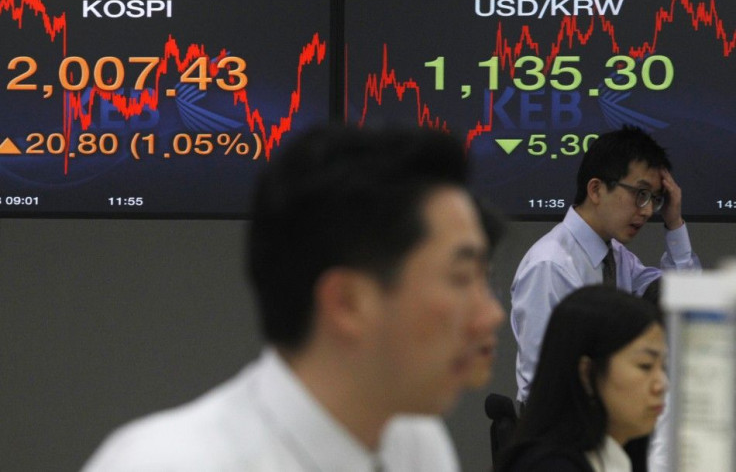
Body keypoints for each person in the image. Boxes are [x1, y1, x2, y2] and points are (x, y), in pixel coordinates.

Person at [82, 125, 506, 471]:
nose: (490, 315)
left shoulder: (414, 442)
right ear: (347, 303)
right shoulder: (170, 463)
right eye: (461, 278)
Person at [511, 125, 699, 405]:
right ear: (596, 190)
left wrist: (674, 223)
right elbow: (545, 387)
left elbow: (685, 300)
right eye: (641, 194)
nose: (648, 211)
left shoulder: (618, 258)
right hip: (565, 437)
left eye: (655, 200)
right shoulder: (550, 265)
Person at [497, 285, 668, 472]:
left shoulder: (619, 456)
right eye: (645, 365)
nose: (662, 384)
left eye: (664, 367)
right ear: (586, 373)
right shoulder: (550, 467)